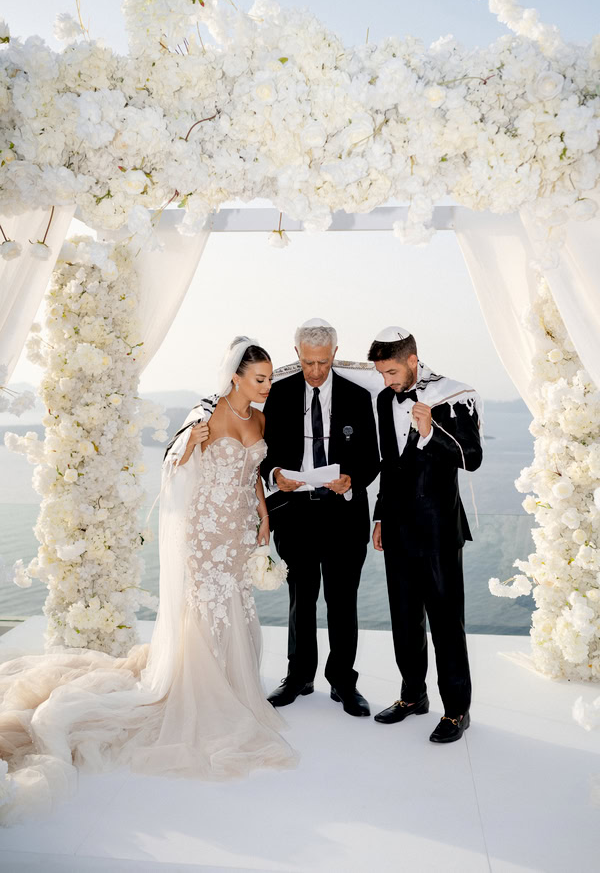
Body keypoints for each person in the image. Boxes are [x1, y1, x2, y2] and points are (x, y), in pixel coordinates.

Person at [0, 337, 296, 825]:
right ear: (235, 377)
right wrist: (187, 449)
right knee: (206, 607)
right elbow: (174, 469)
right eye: (259, 378)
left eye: (268, 379)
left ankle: (232, 683)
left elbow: (253, 476)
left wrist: (264, 518)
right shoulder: (208, 416)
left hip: (241, 528)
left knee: (236, 605)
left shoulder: (259, 420)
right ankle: (200, 691)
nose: (266, 386)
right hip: (205, 532)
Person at [367, 326, 483, 743]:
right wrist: (379, 516)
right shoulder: (384, 400)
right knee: (404, 619)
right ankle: (412, 695)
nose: (387, 381)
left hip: (437, 529)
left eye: (392, 371)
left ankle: (457, 711)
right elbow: (388, 464)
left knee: (447, 622)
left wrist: (432, 433)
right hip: (396, 527)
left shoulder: (452, 396)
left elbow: (472, 458)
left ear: (413, 360)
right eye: (382, 374)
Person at [261, 319, 380, 717]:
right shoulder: (277, 396)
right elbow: (267, 452)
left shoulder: (358, 397)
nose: (315, 372)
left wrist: (352, 480)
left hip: (344, 516)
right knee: (301, 599)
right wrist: (276, 475)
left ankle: (344, 682)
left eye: (323, 363)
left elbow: (371, 459)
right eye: (309, 363)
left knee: (343, 601)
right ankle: (299, 677)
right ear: (297, 355)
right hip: (296, 514)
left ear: (334, 354)